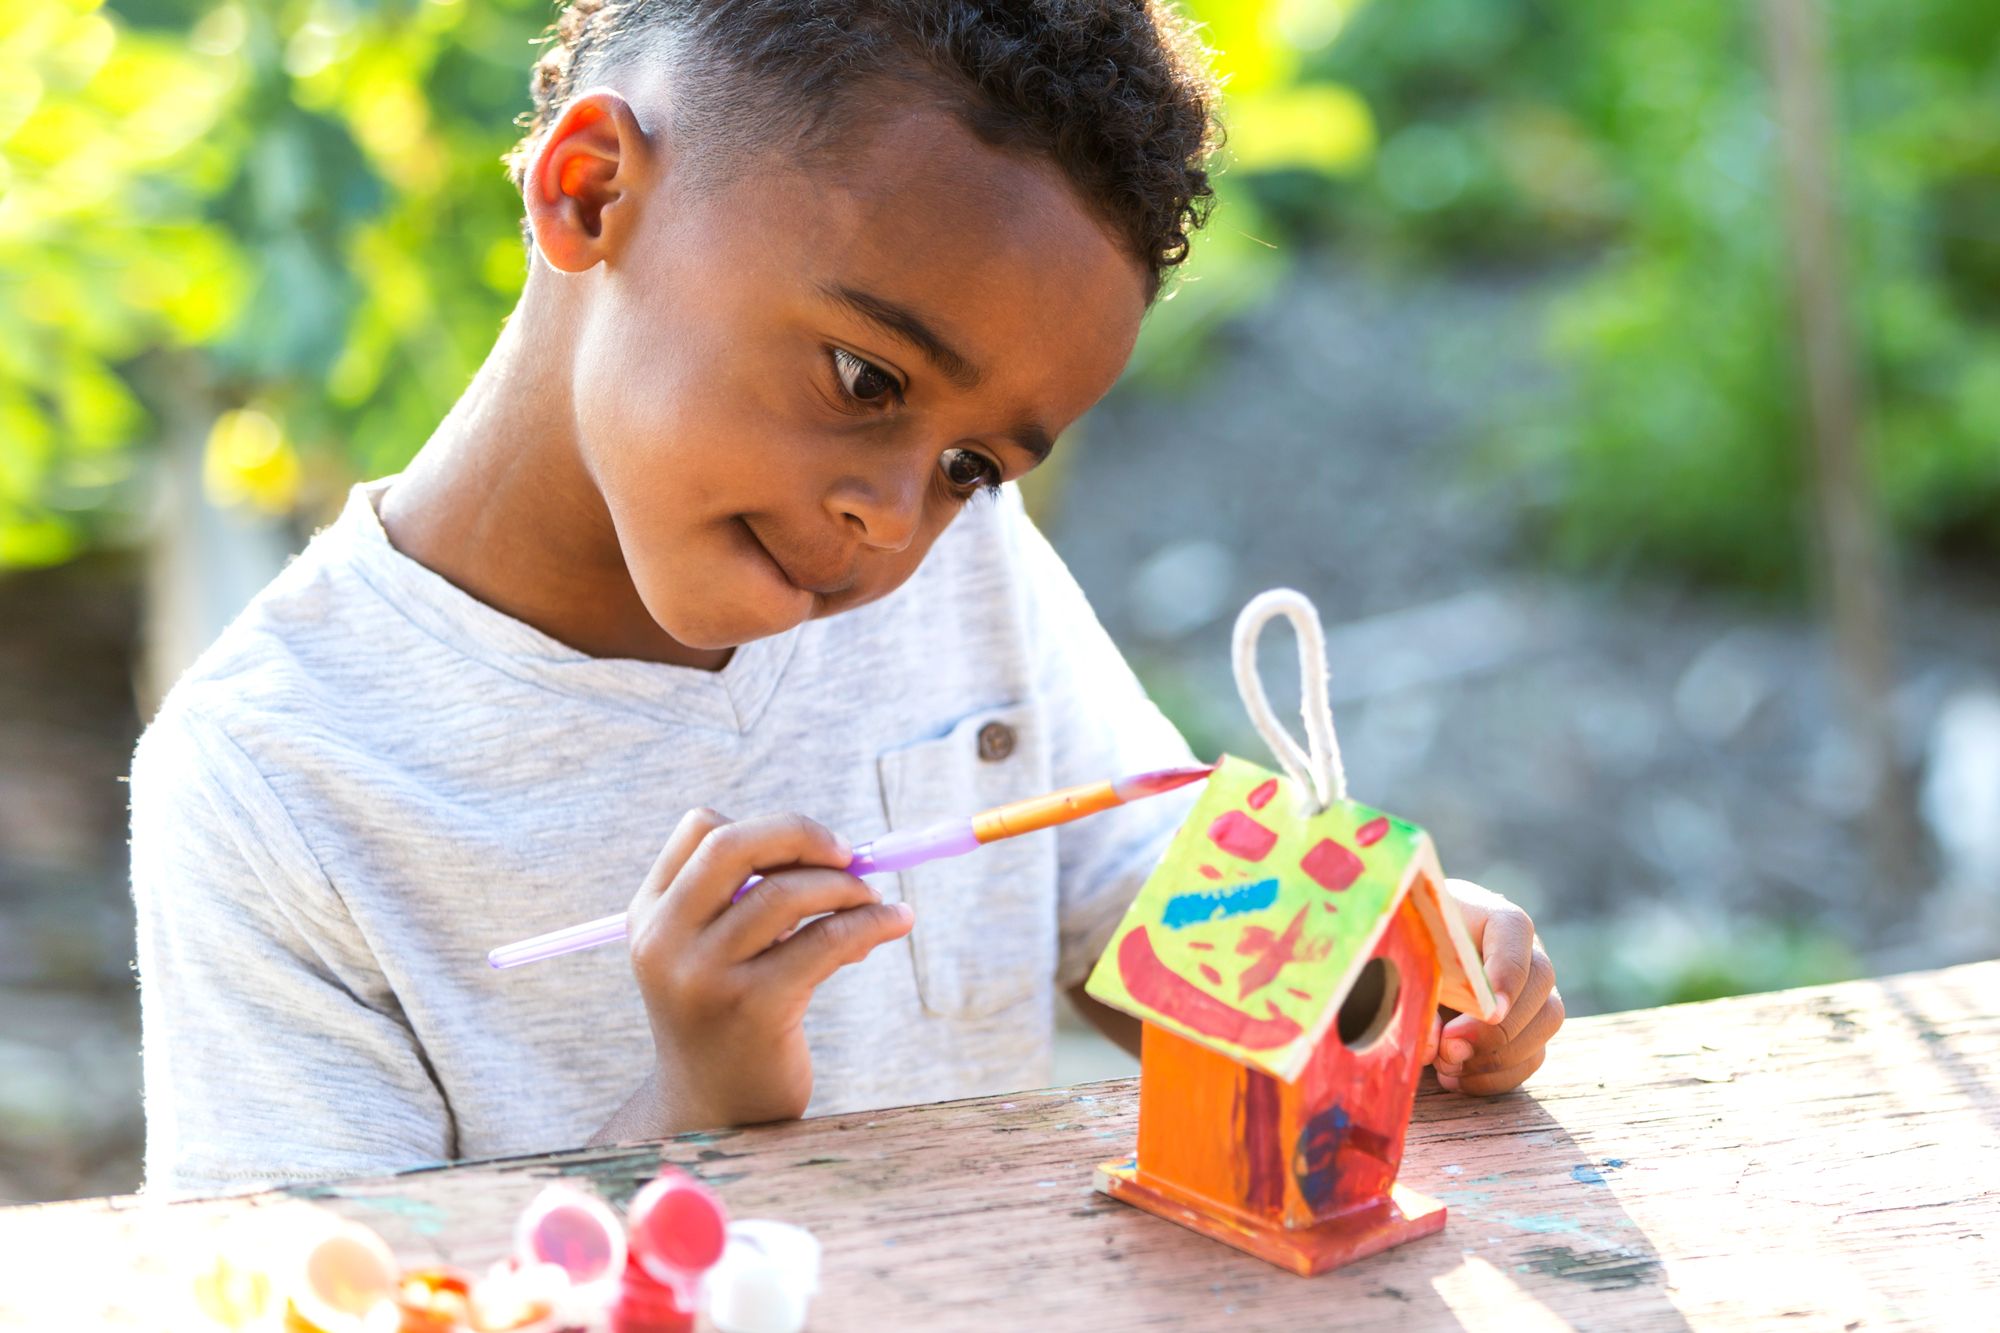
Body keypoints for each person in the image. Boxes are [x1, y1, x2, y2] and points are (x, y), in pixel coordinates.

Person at [129, 0, 1563, 1196]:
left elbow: (1143, 916)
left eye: (972, 464)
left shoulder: (960, 577)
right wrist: (694, 1111)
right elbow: (315, 1293)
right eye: (864, 379)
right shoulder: (277, 781)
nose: (893, 517)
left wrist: (1371, 963)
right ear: (590, 193)